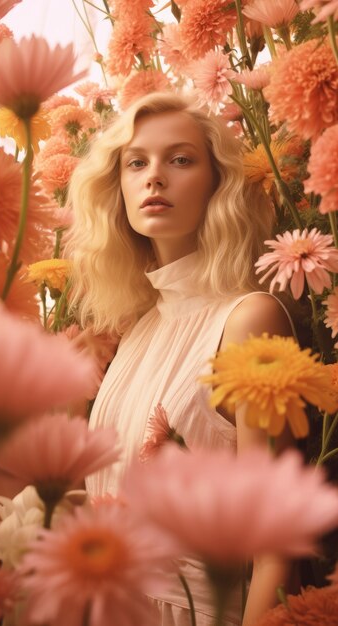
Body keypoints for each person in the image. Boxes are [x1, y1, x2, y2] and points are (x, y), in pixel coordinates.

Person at [66, 91, 296, 626]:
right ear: (117, 188)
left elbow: (276, 549)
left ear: (218, 184)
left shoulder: (246, 320)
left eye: (181, 159)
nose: (155, 177)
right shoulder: (139, 329)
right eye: (136, 163)